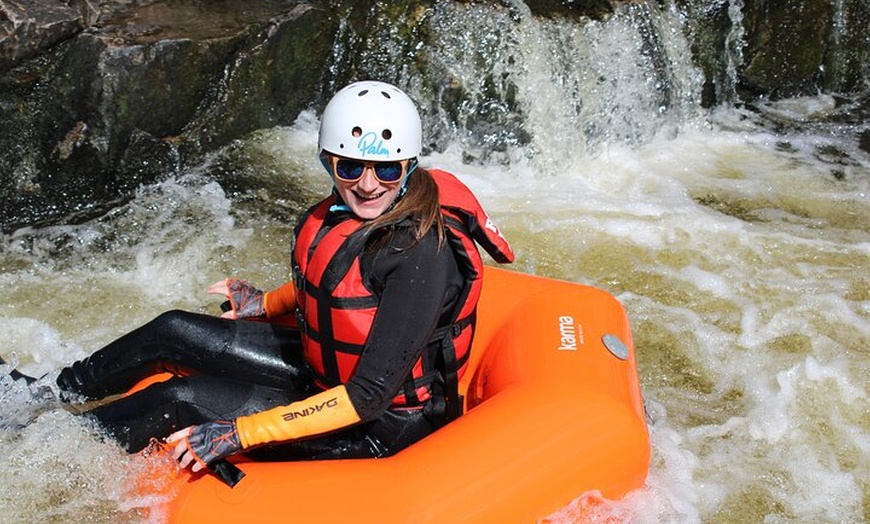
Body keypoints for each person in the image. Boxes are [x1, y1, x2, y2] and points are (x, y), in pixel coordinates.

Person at [2, 81, 514, 477]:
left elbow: (367, 397)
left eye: (386, 170)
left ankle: (43, 450)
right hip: (324, 377)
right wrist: (266, 305)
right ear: (327, 160)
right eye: (351, 165)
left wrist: (242, 433)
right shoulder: (347, 211)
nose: (367, 183)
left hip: (382, 427)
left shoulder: (421, 253)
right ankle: (45, 394)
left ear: (409, 165)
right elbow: (342, 288)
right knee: (174, 328)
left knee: (180, 398)